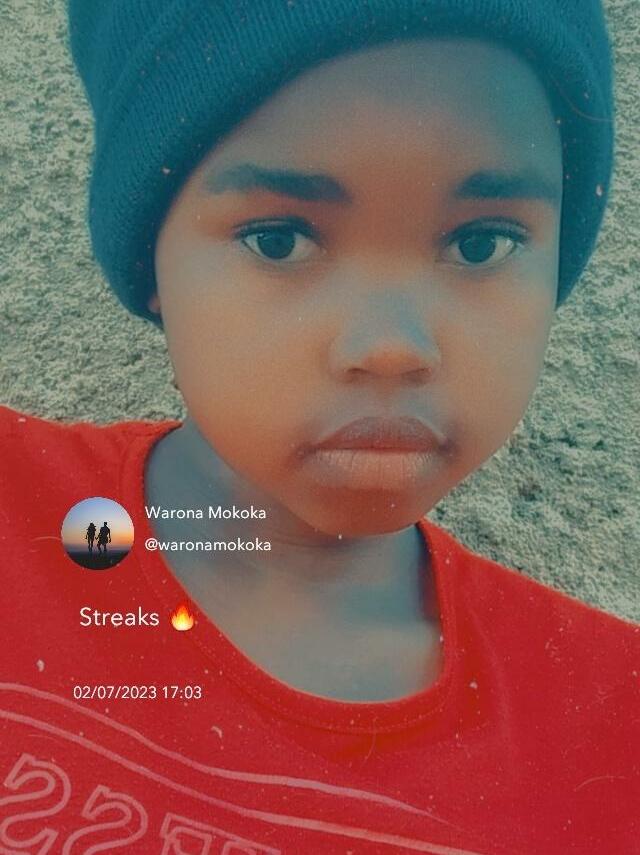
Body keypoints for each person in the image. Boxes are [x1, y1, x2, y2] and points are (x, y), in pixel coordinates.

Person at [1, 2, 638, 852]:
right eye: (279, 239)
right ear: (152, 258)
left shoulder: (613, 729)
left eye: (481, 244)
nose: (390, 347)